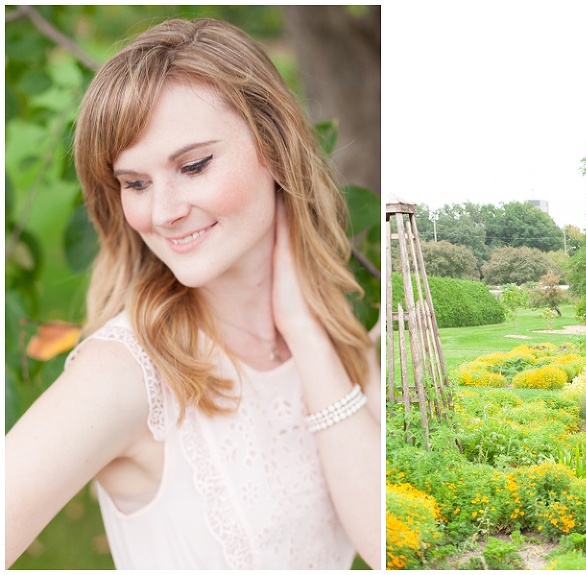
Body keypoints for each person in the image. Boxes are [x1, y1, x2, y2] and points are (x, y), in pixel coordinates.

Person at [5, 18, 381, 570]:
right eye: (135, 183)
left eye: (193, 165)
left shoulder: (342, 334)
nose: (162, 212)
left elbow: (390, 545)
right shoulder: (125, 374)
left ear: (274, 147)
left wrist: (304, 328)